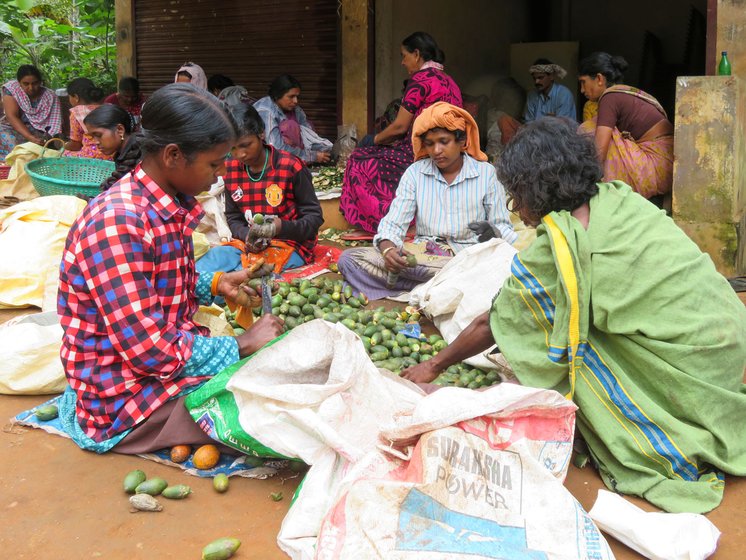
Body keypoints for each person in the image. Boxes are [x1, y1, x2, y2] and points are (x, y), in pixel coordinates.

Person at [402, 117, 746, 514]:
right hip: (727, 342)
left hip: (691, 364)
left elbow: (494, 321)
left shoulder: (560, 247)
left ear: (536, 190)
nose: (517, 208)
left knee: (570, 335)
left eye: (517, 196)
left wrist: (433, 365)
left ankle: (655, 428)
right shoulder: (620, 198)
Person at [57, 83, 284, 454]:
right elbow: (151, 352)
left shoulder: (163, 205)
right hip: (126, 397)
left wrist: (216, 282)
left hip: (156, 368)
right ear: (174, 156)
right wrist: (240, 345)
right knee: (278, 414)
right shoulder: (118, 223)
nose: (221, 174)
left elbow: (156, 280)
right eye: (214, 163)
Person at [338, 102, 516, 300]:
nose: (436, 150)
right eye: (430, 143)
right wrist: (388, 250)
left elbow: (503, 228)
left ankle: (427, 289)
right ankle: (441, 290)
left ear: (461, 140)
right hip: (424, 260)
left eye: (443, 141)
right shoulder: (415, 173)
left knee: (502, 268)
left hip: (468, 260)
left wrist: (496, 235)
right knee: (349, 260)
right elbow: (393, 224)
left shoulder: (486, 174)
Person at [340, 31, 462, 233]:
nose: (402, 62)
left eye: (404, 56)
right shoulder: (449, 80)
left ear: (416, 54)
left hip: (421, 152)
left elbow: (400, 127)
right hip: (451, 149)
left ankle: (386, 220)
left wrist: (373, 139)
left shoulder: (421, 79)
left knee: (359, 158)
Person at [196, 104, 323, 275]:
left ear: (261, 133)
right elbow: (233, 217)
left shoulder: (290, 166)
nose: (240, 154)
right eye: (232, 148)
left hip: (289, 244)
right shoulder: (230, 169)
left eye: (246, 145)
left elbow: (314, 218)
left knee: (248, 276)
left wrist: (281, 227)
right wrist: (247, 235)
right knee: (202, 268)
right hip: (248, 245)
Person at [578, 52, 673, 199]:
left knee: (588, 129)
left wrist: (584, 185)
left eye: (583, 82)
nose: (582, 90)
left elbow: (599, 150)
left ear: (599, 79)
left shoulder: (609, 97)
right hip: (668, 167)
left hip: (656, 165)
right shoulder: (625, 93)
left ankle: (606, 195)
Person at [253, 74, 332, 165]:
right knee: (289, 126)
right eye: (291, 96)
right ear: (277, 95)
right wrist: (312, 156)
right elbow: (276, 148)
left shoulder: (296, 110)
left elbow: (309, 136)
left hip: (293, 155)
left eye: (297, 97)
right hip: (265, 160)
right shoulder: (266, 111)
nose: (295, 101)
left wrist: (324, 149)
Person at [0, 65, 61, 158]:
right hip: (12, 127)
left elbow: (53, 125)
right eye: (26, 84)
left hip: (38, 131)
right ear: (19, 83)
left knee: (39, 147)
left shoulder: (49, 96)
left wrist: (41, 138)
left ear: (40, 82)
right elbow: (11, 116)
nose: (31, 87)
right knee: (13, 145)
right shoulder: (11, 90)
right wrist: (29, 137)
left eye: (35, 83)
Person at [82, 104, 141, 190]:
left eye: (98, 135)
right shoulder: (122, 154)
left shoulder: (143, 156)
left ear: (120, 130)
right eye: (92, 137)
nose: (96, 142)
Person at [63, 77, 110, 160]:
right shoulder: (109, 107)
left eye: (69, 97)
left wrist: (63, 146)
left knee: (62, 154)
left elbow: (75, 145)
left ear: (76, 97)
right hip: (112, 155)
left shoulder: (77, 113)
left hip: (92, 157)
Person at [523, 58, 577, 122]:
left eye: (540, 77)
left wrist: (553, 121)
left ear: (551, 76)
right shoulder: (532, 95)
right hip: (536, 131)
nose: (536, 82)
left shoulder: (564, 94)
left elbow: (562, 126)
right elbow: (528, 123)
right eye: (534, 78)